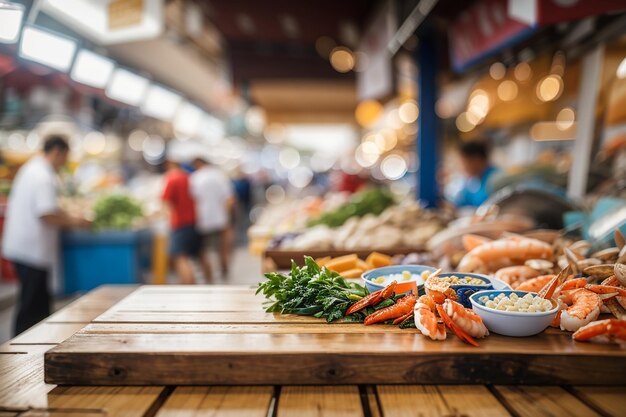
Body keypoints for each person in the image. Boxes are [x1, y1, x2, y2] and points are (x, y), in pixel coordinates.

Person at [2, 136, 90, 335]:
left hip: (26, 247)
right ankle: (22, 354)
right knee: (32, 308)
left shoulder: (32, 169)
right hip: (31, 250)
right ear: (57, 152)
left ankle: (29, 350)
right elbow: (47, 213)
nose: (65, 164)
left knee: (36, 305)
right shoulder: (42, 176)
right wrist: (77, 222)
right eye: (65, 158)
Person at [190, 157, 235, 282]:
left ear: (197, 163)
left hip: (202, 218)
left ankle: (208, 277)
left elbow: (193, 199)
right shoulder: (219, 175)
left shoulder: (195, 177)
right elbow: (229, 198)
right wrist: (227, 216)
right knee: (222, 246)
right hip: (220, 217)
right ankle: (224, 267)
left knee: (203, 250)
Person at [161, 158, 199, 284]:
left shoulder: (172, 179)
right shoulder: (189, 177)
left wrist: (166, 218)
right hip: (193, 220)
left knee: (180, 257)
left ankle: (188, 287)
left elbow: (165, 202)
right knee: (188, 257)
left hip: (180, 222)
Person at [452, 140, 498, 208]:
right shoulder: (472, 180)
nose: (463, 167)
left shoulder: (497, 178)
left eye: (464, 162)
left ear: (476, 159)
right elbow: (461, 202)